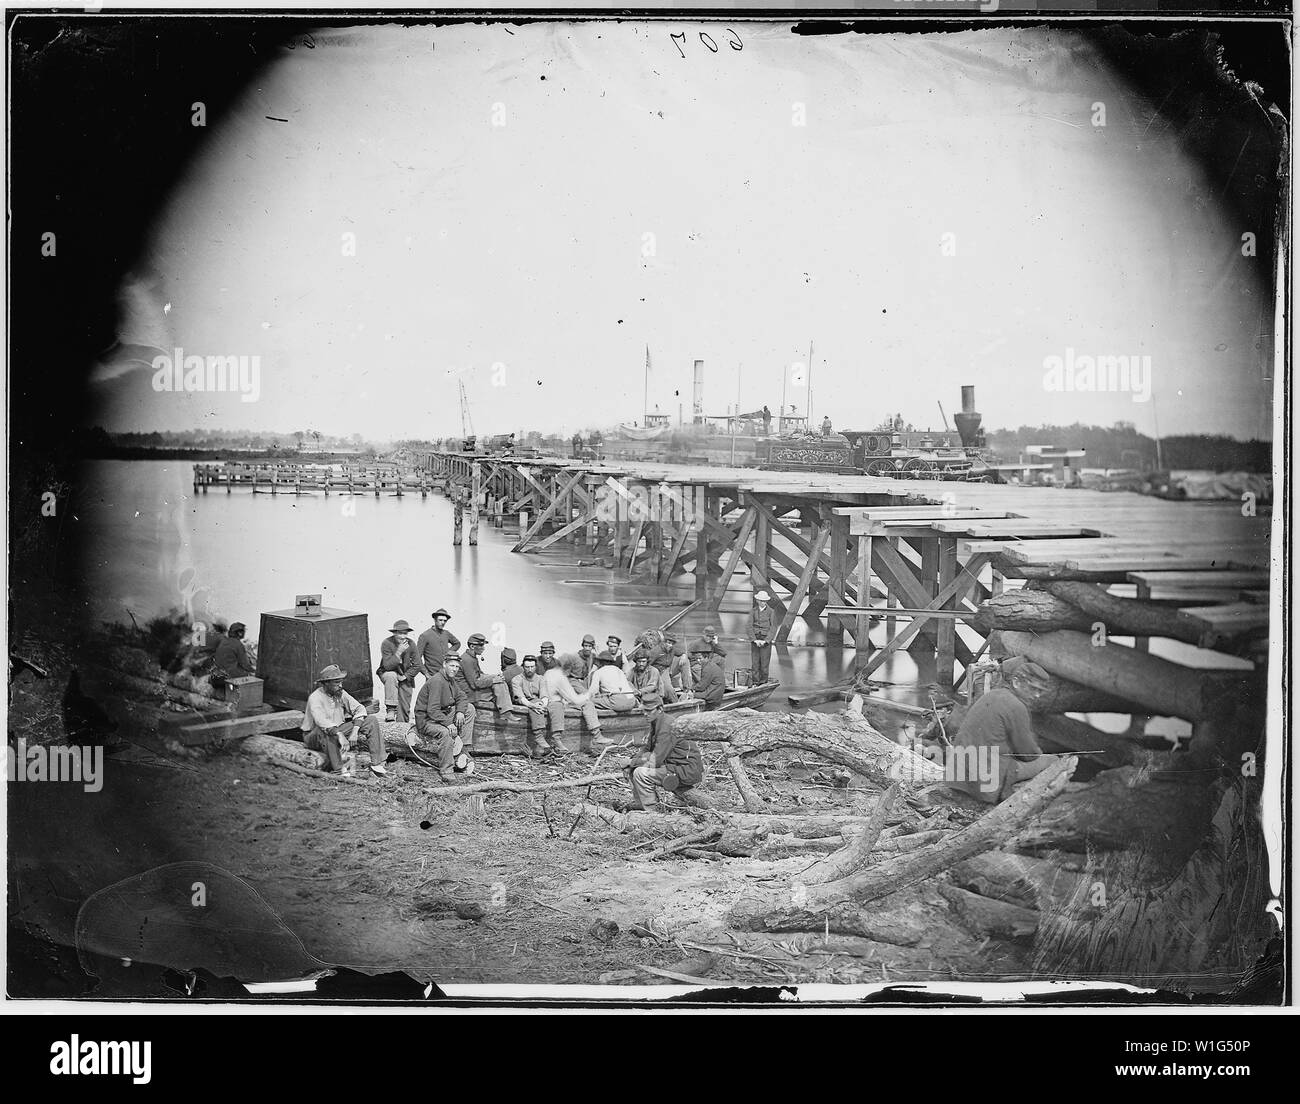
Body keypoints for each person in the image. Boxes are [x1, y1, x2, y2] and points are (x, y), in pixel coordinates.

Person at [947, 659, 1057, 804]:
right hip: (985, 781)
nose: (1036, 695)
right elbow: (1028, 754)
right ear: (1016, 683)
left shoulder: (991, 695)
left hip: (957, 775)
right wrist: (1039, 752)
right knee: (1053, 760)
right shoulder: (1017, 706)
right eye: (1033, 688)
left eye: (1040, 691)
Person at [301, 664, 388, 777]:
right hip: (314, 736)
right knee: (326, 730)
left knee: (371, 720)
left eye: (341, 682)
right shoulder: (315, 697)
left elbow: (359, 708)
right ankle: (338, 770)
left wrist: (355, 731)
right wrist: (340, 734)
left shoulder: (340, 693)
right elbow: (322, 722)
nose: (340, 685)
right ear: (326, 683)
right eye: (336, 683)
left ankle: (377, 764)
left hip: (336, 732)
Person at [625, 698, 702, 812]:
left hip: (685, 769)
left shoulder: (667, 726)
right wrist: (633, 761)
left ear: (660, 709)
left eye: (649, 710)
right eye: (644, 711)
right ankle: (641, 803)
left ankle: (651, 811)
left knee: (641, 773)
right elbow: (647, 748)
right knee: (631, 769)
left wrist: (631, 762)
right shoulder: (656, 722)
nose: (645, 714)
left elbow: (655, 761)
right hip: (673, 765)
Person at [413, 655, 473, 782]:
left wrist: (460, 712)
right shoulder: (437, 681)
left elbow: (462, 697)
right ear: (444, 664)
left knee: (469, 709)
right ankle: (446, 771)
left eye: (457, 666)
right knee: (445, 733)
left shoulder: (450, 680)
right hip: (427, 720)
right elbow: (432, 710)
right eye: (452, 665)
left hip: (440, 716)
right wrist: (448, 724)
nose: (455, 669)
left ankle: (463, 749)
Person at [554, 653, 610, 751]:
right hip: (563, 704)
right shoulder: (572, 681)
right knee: (588, 704)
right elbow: (586, 695)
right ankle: (597, 736)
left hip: (558, 703)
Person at [510, 654, 558, 757]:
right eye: (527, 667)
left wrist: (542, 705)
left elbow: (544, 695)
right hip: (525, 703)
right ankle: (538, 736)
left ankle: (555, 738)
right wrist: (532, 705)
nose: (530, 669)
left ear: (536, 667)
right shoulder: (517, 679)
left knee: (556, 705)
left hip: (539, 703)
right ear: (523, 667)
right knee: (534, 704)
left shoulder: (541, 679)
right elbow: (520, 697)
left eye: (532, 667)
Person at [459, 632, 513, 720]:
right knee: (498, 684)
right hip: (469, 695)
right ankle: (505, 712)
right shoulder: (467, 660)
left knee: (499, 681)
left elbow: (480, 674)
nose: (483, 648)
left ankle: (505, 711)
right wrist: (494, 680)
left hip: (471, 692)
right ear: (472, 646)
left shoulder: (471, 657)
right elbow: (475, 683)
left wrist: (494, 676)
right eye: (481, 646)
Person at [377, 619, 418, 722]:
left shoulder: (411, 644)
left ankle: (401, 728)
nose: (403, 636)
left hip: (404, 675)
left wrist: (406, 676)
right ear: (394, 633)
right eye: (400, 633)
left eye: (405, 633)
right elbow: (387, 666)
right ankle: (390, 710)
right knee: (391, 676)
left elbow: (417, 665)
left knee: (405, 706)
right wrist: (399, 651)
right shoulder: (387, 643)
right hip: (387, 672)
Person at [415, 609, 460, 680]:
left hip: (446, 673)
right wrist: (426, 673)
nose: (443, 622)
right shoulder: (425, 635)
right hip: (433, 674)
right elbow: (417, 658)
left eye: (445, 621)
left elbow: (457, 643)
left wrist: (448, 653)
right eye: (440, 620)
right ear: (435, 620)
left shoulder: (446, 633)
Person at [750, 590, 774, 684]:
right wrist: (754, 640)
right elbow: (749, 626)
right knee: (755, 663)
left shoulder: (771, 612)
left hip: (765, 640)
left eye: (764, 601)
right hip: (755, 639)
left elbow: (773, 627)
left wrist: (767, 640)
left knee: (764, 664)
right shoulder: (753, 611)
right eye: (761, 600)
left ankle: (763, 682)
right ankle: (755, 682)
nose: (763, 602)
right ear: (757, 601)